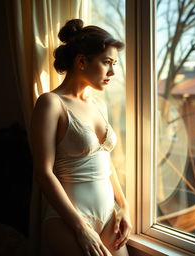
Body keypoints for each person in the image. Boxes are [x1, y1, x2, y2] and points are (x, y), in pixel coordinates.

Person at [30, 19, 132, 256]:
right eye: (107, 62)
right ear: (82, 61)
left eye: (114, 63)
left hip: (109, 216)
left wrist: (125, 206)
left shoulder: (99, 105)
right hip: (68, 220)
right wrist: (80, 228)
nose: (113, 72)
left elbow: (106, 163)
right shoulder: (51, 103)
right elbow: (43, 173)